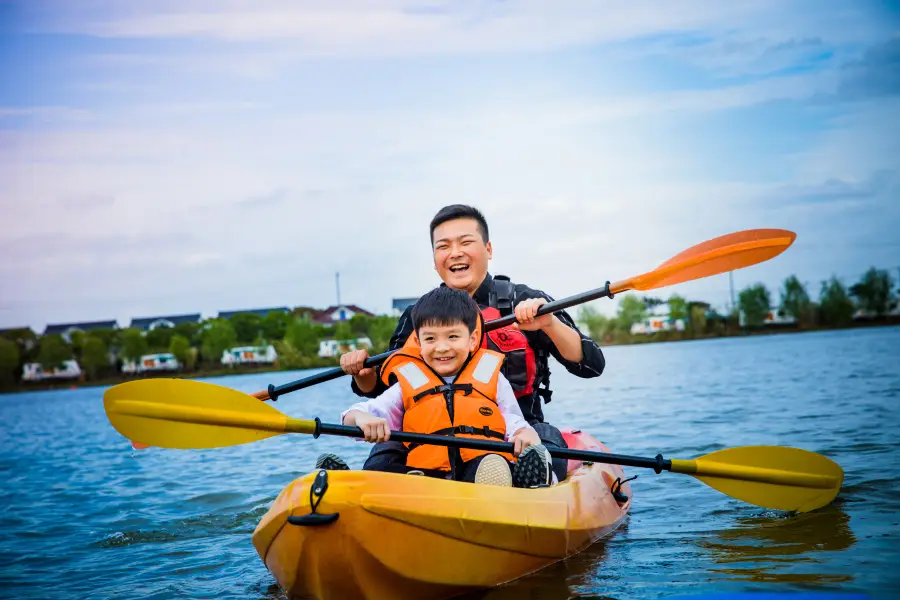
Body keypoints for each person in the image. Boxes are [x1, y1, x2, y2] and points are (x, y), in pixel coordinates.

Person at [341, 204, 606, 483]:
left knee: (543, 441)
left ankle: (523, 488)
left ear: (488, 250)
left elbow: (591, 366)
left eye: (466, 242)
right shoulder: (418, 315)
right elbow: (387, 391)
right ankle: (369, 490)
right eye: (443, 246)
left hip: (514, 431)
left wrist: (549, 325)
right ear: (434, 259)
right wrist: (365, 377)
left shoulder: (524, 301)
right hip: (428, 436)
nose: (455, 253)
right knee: (387, 446)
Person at [316, 286, 553, 488]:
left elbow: (513, 420)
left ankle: (504, 488)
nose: (441, 348)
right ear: (418, 343)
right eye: (430, 339)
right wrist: (360, 419)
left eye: (452, 337)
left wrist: (525, 434)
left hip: (476, 471)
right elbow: (358, 413)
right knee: (387, 460)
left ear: (472, 340)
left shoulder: (491, 377)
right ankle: (353, 489)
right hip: (425, 472)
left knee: (491, 462)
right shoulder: (410, 382)